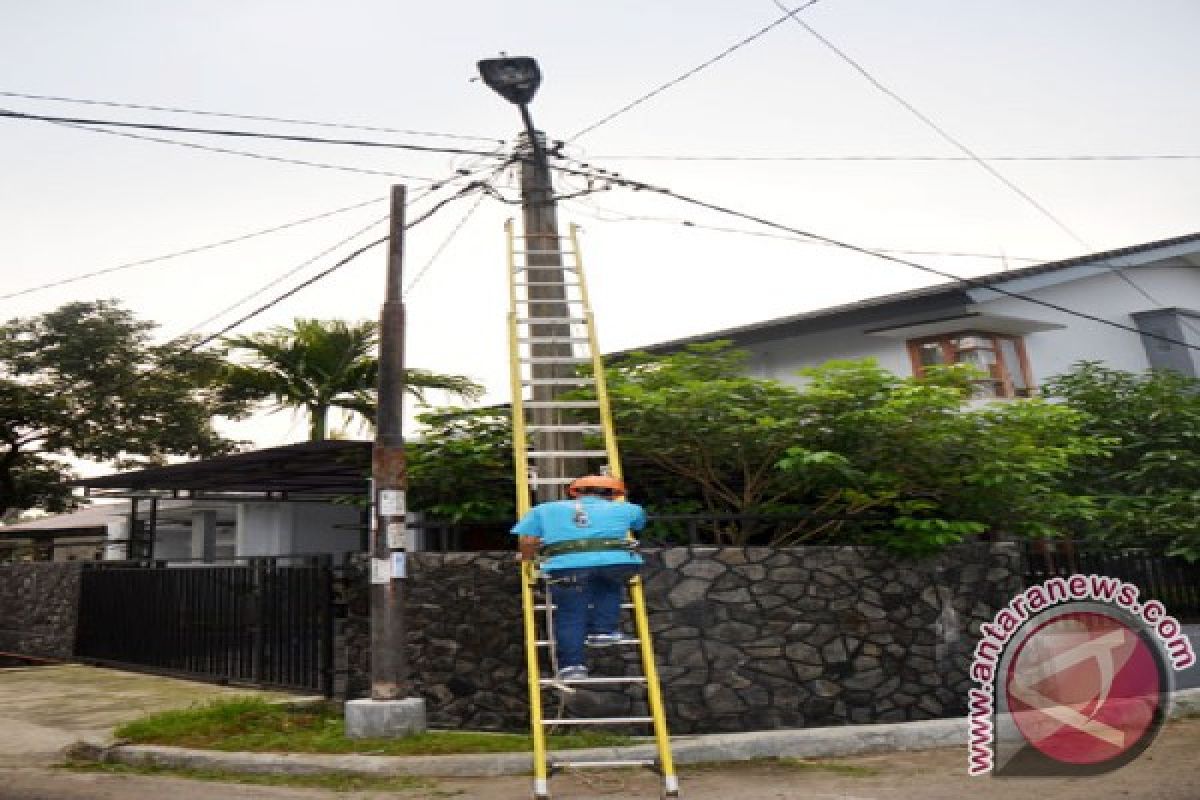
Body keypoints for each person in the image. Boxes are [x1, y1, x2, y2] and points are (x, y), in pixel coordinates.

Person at [512, 474, 647, 681]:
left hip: (566, 566)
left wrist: (527, 559)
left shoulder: (545, 509)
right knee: (610, 586)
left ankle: (572, 667)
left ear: (575, 492)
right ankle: (603, 631)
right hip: (615, 561)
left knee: (570, 614)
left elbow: (528, 540)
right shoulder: (628, 508)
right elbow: (638, 525)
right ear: (613, 494)